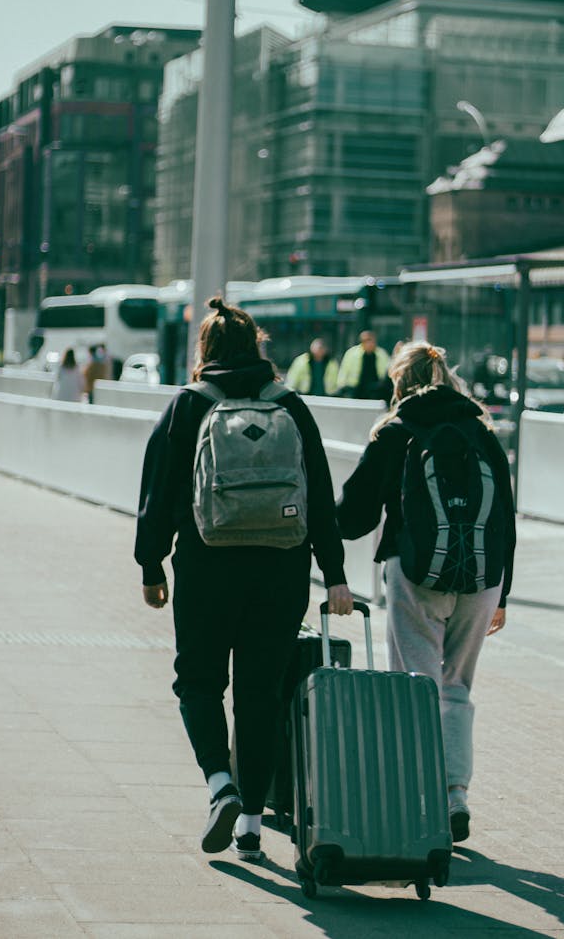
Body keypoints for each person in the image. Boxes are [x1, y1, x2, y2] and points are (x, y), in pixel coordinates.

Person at [135, 296, 353, 863]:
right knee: (261, 693)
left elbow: (157, 491)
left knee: (199, 682)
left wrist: (151, 563)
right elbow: (321, 496)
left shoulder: (188, 405)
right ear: (257, 346)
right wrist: (334, 574)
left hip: (206, 568)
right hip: (282, 570)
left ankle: (219, 786)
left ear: (205, 349)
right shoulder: (291, 406)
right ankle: (253, 827)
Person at [335, 341, 515, 845]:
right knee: (455, 687)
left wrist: (320, 530)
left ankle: (417, 800)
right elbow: (506, 516)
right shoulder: (481, 432)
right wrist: (503, 594)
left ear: (399, 382)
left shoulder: (398, 430)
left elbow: (355, 514)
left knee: (417, 686)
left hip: (415, 574)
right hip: (482, 579)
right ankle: (455, 795)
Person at [336, 330, 391, 399]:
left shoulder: (382, 354)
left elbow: (388, 372)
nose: (369, 343)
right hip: (355, 390)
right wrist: (341, 386)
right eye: (366, 341)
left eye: (371, 340)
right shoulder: (351, 353)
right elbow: (344, 370)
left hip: (376, 390)